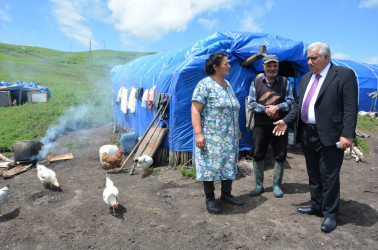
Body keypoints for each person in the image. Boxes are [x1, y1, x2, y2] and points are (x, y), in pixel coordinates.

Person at [273, 42, 358, 232]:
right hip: (307, 133)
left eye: (314, 58)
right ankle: (316, 205)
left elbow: (351, 108)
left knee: (329, 176)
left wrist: (347, 135)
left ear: (326, 58)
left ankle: (330, 214)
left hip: (331, 135)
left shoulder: (343, 75)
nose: (309, 62)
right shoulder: (305, 78)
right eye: (308, 59)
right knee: (313, 174)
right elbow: (298, 105)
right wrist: (286, 121)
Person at [191, 51, 244, 213]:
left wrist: (238, 128)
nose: (229, 66)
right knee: (210, 167)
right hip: (212, 137)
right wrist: (198, 133)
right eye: (226, 63)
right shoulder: (205, 84)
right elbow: (195, 110)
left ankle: (226, 195)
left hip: (230, 136)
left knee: (228, 163)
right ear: (215, 67)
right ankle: (210, 199)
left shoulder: (227, 85)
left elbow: (232, 109)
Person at [247, 55, 294, 198]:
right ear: (263, 67)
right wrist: (267, 110)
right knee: (258, 153)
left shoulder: (285, 82)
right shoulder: (256, 82)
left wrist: (277, 107)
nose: (272, 68)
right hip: (261, 123)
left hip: (280, 123)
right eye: (269, 65)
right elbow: (251, 103)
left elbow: (291, 101)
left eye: (275, 65)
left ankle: (276, 185)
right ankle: (259, 185)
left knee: (280, 153)